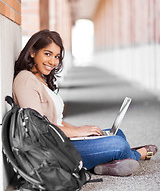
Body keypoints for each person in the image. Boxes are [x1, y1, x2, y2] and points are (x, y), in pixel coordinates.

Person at [12, 30, 158, 177]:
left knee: (118, 134)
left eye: (56, 56)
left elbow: (56, 120)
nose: (53, 62)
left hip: (62, 141)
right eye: (47, 54)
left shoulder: (41, 79)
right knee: (119, 145)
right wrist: (77, 133)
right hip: (52, 151)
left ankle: (105, 165)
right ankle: (136, 155)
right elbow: (38, 127)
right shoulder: (25, 80)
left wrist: (80, 129)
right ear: (32, 52)